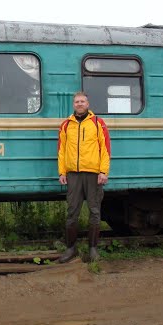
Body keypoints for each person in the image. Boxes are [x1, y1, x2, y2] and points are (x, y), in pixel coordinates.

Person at [57, 91, 111, 263]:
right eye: (77, 102)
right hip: (73, 174)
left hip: (94, 174)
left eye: (82, 101)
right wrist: (62, 172)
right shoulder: (66, 125)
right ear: (74, 105)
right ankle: (70, 248)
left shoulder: (98, 123)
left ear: (88, 104)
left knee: (95, 211)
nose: (79, 104)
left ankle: (93, 249)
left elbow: (105, 148)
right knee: (72, 212)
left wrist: (103, 171)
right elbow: (61, 151)